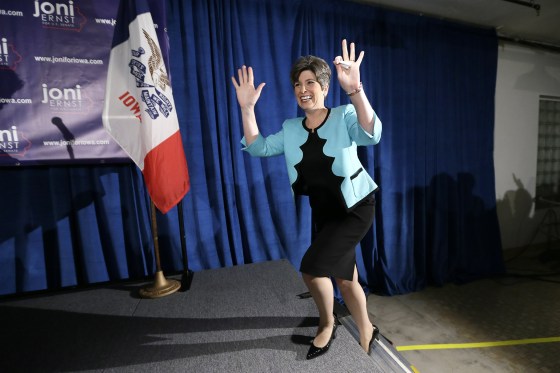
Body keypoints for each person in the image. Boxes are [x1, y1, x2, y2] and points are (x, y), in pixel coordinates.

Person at [231, 39, 382, 360]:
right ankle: (367, 327)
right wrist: (247, 109)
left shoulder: (343, 116)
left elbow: (371, 133)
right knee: (344, 278)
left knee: (313, 269)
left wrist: (356, 90)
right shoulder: (291, 128)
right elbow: (259, 148)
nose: (303, 89)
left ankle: (327, 323)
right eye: (298, 84)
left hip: (355, 207)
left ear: (325, 87)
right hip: (324, 211)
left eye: (310, 82)